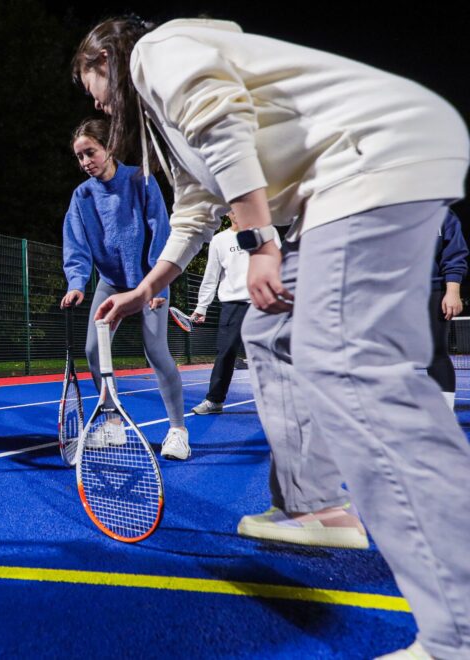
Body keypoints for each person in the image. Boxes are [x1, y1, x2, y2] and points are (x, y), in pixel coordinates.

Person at [74, 16, 470, 659]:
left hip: (364, 171)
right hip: (335, 189)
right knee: (269, 332)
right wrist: (149, 288)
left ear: (106, 57)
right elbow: (198, 207)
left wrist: (257, 240)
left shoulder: (156, 51)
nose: (94, 100)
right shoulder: (164, 118)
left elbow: (221, 122)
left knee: (352, 371)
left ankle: (457, 631)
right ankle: (314, 506)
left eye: (90, 81)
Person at [61, 118, 189, 460]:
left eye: (90, 152)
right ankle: (112, 423)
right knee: (93, 349)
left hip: (149, 279)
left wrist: (157, 283)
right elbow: (76, 245)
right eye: (79, 156)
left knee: (156, 351)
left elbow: (160, 229)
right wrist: (76, 283)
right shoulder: (82, 196)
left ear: (110, 147)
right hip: (110, 282)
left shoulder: (140, 180)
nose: (85, 161)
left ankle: (178, 430)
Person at [190, 212, 278, 414]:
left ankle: (277, 403)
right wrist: (201, 306)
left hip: (263, 303)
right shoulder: (219, 240)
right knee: (226, 353)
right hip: (233, 306)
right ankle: (214, 401)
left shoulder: (267, 232)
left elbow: (279, 264)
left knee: (270, 354)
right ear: (227, 212)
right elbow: (211, 276)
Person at [427, 209, 468, 411]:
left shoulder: (443, 214)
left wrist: (453, 290)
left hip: (432, 290)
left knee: (436, 353)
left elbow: (455, 253)